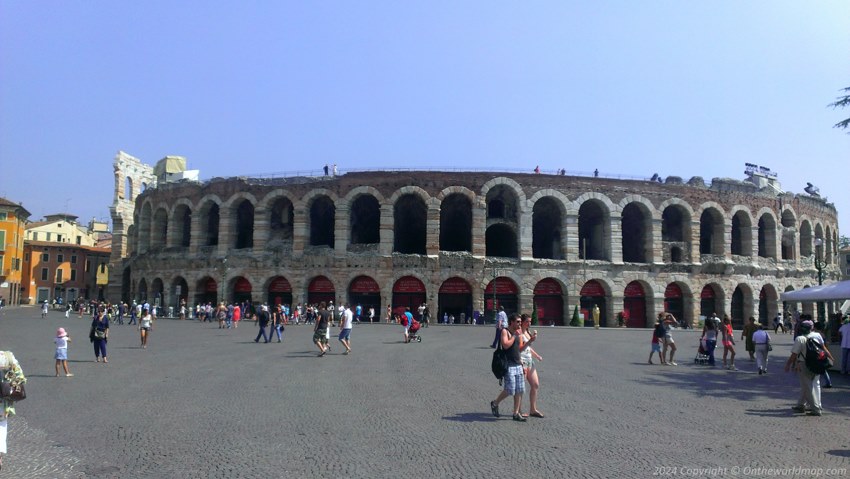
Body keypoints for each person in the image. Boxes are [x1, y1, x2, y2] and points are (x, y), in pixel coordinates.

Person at [490, 314, 535, 422]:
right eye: (518, 322)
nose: (520, 324)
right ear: (511, 322)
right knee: (509, 390)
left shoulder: (518, 334)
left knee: (519, 390)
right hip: (508, 364)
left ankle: (515, 413)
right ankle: (495, 403)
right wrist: (514, 335)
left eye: (520, 322)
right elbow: (505, 345)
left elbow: (519, 349)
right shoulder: (505, 332)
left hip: (518, 364)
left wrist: (529, 342)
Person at [785, 320, 832, 416]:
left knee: (807, 386)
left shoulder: (800, 339)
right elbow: (823, 348)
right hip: (817, 362)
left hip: (804, 364)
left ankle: (815, 409)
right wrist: (830, 357)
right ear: (811, 328)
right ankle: (804, 405)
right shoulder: (817, 335)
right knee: (815, 384)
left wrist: (788, 364)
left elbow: (794, 354)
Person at [0, 350, 26, 471]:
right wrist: (8, 386)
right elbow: (20, 377)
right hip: (3, 402)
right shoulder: (8, 357)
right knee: (1, 427)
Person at [519, 314, 544, 418]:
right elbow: (520, 348)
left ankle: (533, 409)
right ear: (522, 322)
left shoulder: (528, 332)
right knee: (521, 387)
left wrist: (537, 355)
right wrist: (530, 340)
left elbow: (528, 348)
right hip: (522, 361)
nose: (529, 323)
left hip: (530, 361)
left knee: (535, 384)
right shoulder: (519, 333)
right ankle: (518, 410)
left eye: (530, 321)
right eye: (527, 322)